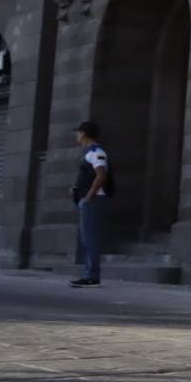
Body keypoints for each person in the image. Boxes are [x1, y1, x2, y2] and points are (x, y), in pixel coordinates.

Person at [70, 121, 113, 288]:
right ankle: (89, 274)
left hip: (94, 201)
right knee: (87, 239)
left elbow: (101, 176)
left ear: (84, 134)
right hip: (88, 200)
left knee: (90, 239)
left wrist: (88, 197)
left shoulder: (96, 152)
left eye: (78, 132)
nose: (77, 136)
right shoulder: (89, 152)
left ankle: (92, 276)